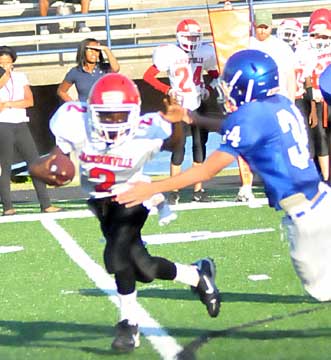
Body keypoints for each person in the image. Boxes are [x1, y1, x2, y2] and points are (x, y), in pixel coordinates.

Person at [117, 49, 331, 303]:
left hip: (307, 218)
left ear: (248, 84)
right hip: (321, 200)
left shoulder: (251, 117)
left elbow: (207, 170)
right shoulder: (280, 104)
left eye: (231, 83)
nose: (226, 88)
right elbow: (233, 127)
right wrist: (191, 117)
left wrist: (153, 188)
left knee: (320, 291)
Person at [29, 73, 221, 352]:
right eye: (106, 116)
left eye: (120, 115)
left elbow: (175, 144)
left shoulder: (148, 128)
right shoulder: (73, 120)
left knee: (116, 256)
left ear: (134, 114)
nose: (113, 123)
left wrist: (174, 121)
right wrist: (47, 169)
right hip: (100, 202)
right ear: (91, 111)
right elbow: (42, 163)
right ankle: (196, 274)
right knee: (142, 268)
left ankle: (128, 324)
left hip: (134, 196)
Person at [143, 18, 219, 204]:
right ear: (180, 37)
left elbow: (215, 75)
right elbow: (148, 76)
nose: (192, 42)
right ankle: (173, 190)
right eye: (188, 37)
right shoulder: (170, 52)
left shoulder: (204, 51)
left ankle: (198, 190)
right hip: (179, 106)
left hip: (198, 103)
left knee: (199, 147)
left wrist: (207, 89)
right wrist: (168, 90)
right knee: (179, 148)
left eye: (195, 38)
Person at [235, 10, 297, 203]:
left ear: (271, 26)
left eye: (265, 27)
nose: (261, 30)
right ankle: (246, 186)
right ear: (253, 26)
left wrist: (292, 101)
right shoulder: (246, 44)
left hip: (276, 101)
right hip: (252, 101)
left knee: (278, 145)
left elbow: (290, 75)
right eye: (259, 26)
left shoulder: (281, 47)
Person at [0, 46, 60, 216]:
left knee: (34, 163)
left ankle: (46, 204)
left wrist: (9, 104)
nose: (5, 65)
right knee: (5, 167)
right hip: (3, 125)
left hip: (20, 123)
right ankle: (8, 207)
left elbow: (29, 101)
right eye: (1, 63)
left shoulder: (20, 77)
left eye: (8, 62)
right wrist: (4, 75)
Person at [57, 38, 120, 103]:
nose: (94, 53)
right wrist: (74, 104)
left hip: (103, 109)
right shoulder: (75, 72)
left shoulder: (104, 68)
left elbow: (116, 69)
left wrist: (106, 49)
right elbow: (61, 91)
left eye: (97, 50)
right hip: (85, 110)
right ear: (83, 51)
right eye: (90, 50)